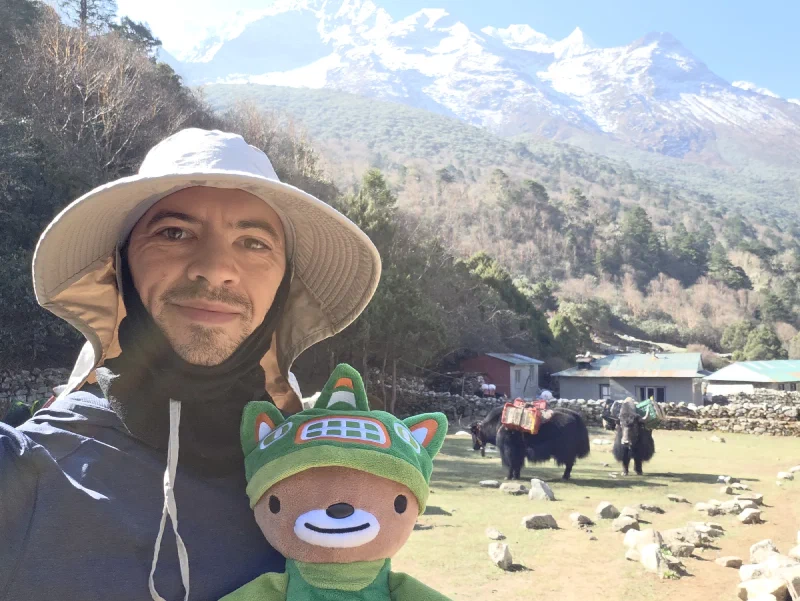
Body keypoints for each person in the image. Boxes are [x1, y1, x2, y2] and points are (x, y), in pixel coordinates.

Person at [0, 129, 381, 601]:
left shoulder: (317, 485)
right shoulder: (24, 471)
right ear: (119, 268)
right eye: (174, 233)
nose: (215, 268)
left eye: (254, 242)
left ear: (285, 287)